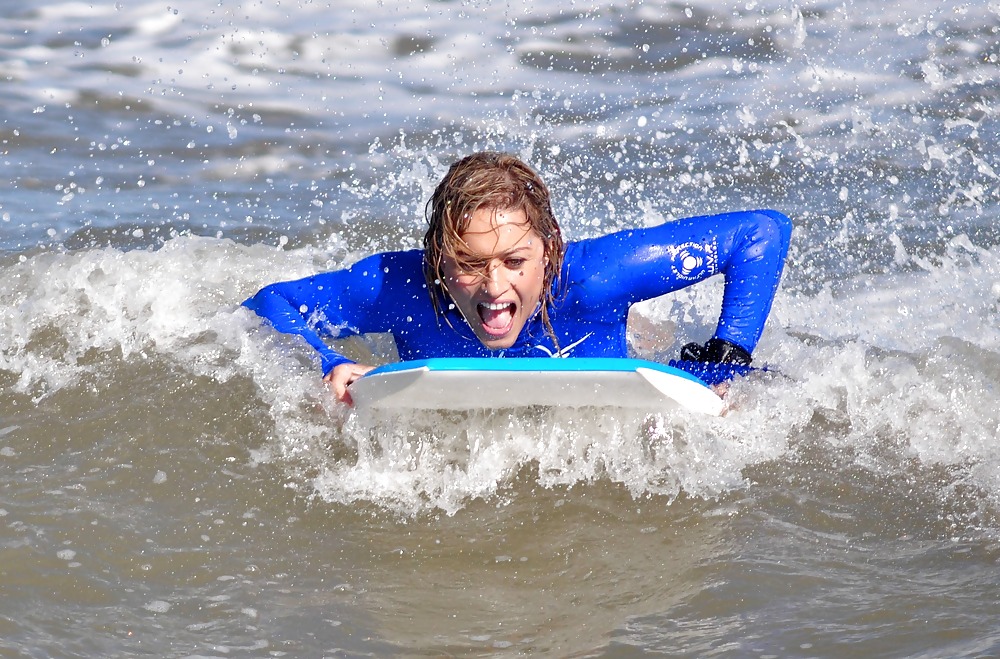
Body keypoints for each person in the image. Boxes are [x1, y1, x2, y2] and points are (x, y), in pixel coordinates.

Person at [244, 151, 792, 404]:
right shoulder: (403, 286)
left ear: (548, 250)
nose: (493, 288)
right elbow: (271, 303)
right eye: (470, 263)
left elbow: (761, 234)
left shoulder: (594, 278)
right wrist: (330, 362)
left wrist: (728, 357)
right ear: (438, 259)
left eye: (514, 261)